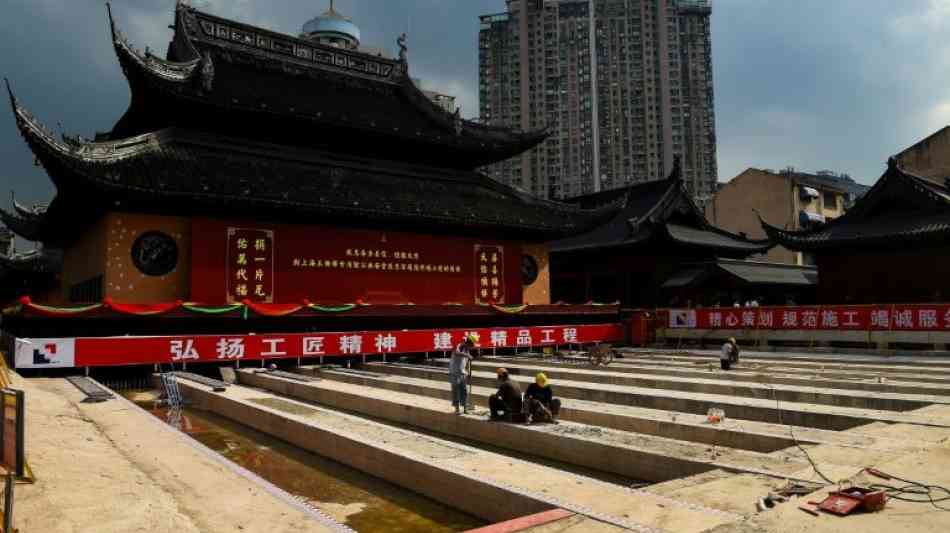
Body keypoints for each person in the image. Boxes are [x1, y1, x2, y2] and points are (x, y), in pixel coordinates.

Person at [449, 333, 478, 414]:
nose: (472, 346)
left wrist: (468, 372)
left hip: (463, 373)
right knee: (456, 390)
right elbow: (456, 352)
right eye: (472, 344)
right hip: (455, 372)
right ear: (469, 342)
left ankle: (465, 408)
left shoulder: (467, 350)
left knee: (464, 391)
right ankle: (457, 409)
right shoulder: (460, 346)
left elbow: (467, 362)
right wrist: (467, 355)